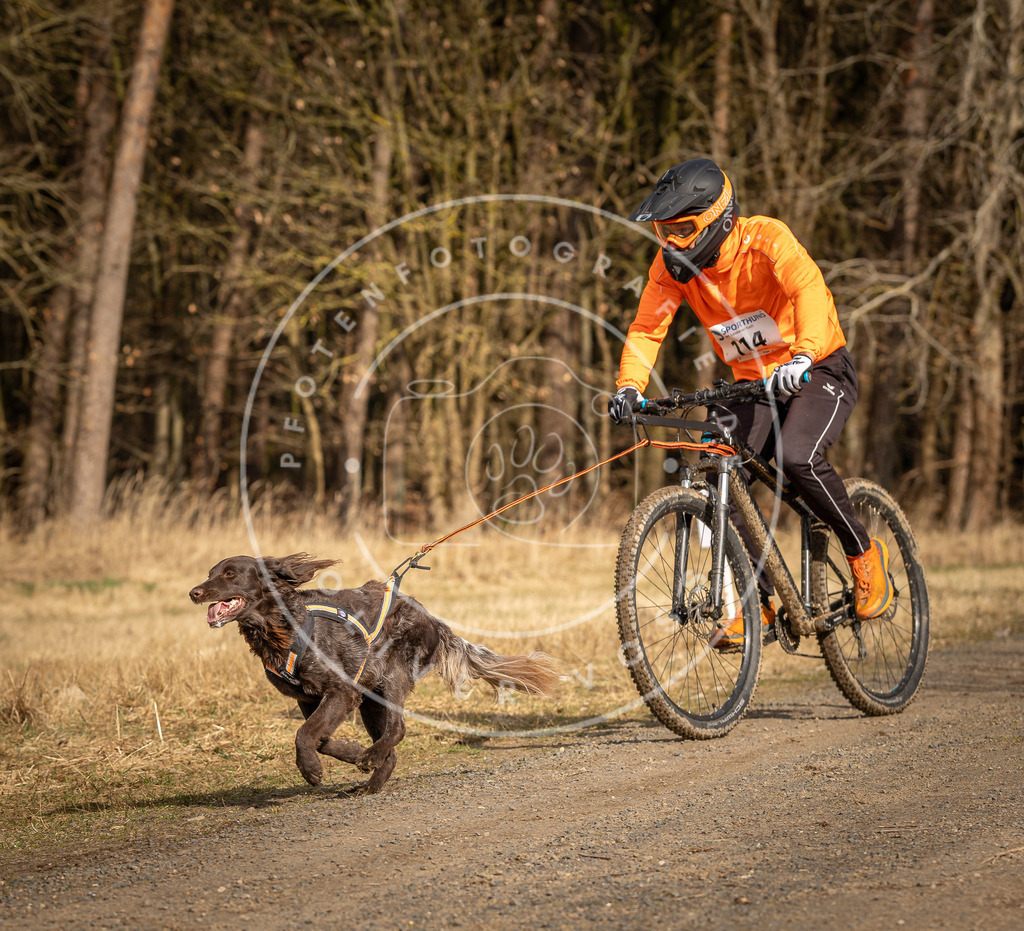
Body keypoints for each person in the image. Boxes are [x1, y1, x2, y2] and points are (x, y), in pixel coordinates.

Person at [608, 157, 891, 650]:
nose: (670, 242)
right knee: (719, 469)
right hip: (751, 382)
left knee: (796, 455)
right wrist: (629, 387)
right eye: (662, 231)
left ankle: (864, 554)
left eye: (680, 229)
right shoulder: (672, 267)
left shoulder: (767, 239)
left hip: (819, 366)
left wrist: (802, 354)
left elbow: (808, 290)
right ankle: (755, 601)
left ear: (716, 219)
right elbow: (647, 327)